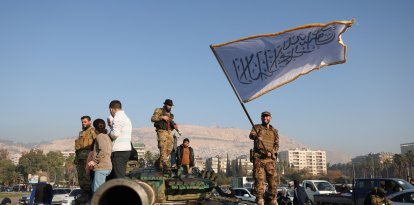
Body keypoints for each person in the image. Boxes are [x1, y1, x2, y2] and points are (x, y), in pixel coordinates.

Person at [249, 111, 279, 205]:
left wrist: (272, 152)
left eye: (267, 116)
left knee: (273, 180)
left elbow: (276, 144)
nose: (265, 118)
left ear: (270, 118)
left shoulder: (274, 130)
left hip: (269, 159)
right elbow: (251, 135)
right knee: (259, 179)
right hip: (259, 158)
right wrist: (257, 137)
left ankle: (272, 199)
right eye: (263, 116)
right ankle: (260, 199)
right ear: (261, 118)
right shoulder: (257, 127)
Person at [151, 99, 178, 172]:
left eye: (171, 106)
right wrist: (162, 117)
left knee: (168, 150)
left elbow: (170, 124)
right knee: (163, 146)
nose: (170, 107)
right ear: (165, 104)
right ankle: (165, 165)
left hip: (169, 132)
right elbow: (153, 118)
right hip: (161, 131)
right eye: (169, 105)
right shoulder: (159, 110)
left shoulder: (171, 115)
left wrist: (174, 126)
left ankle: (158, 162)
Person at [107, 100, 132, 179]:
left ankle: (121, 191)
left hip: (119, 151)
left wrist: (108, 135)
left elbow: (115, 134)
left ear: (111, 109)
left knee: (119, 178)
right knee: (120, 174)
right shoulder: (125, 117)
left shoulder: (117, 117)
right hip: (125, 150)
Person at [74, 115, 96, 203]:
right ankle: (84, 193)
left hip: (88, 155)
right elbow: (78, 146)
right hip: (80, 156)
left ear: (89, 122)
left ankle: (88, 194)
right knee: (81, 177)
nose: (83, 123)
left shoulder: (93, 131)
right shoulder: (81, 133)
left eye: (85, 122)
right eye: (82, 122)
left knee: (86, 176)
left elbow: (96, 144)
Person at [87, 119, 112, 192]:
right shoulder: (106, 136)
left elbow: (103, 151)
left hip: (101, 167)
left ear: (94, 128)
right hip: (106, 166)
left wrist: (94, 161)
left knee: (98, 192)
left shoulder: (100, 137)